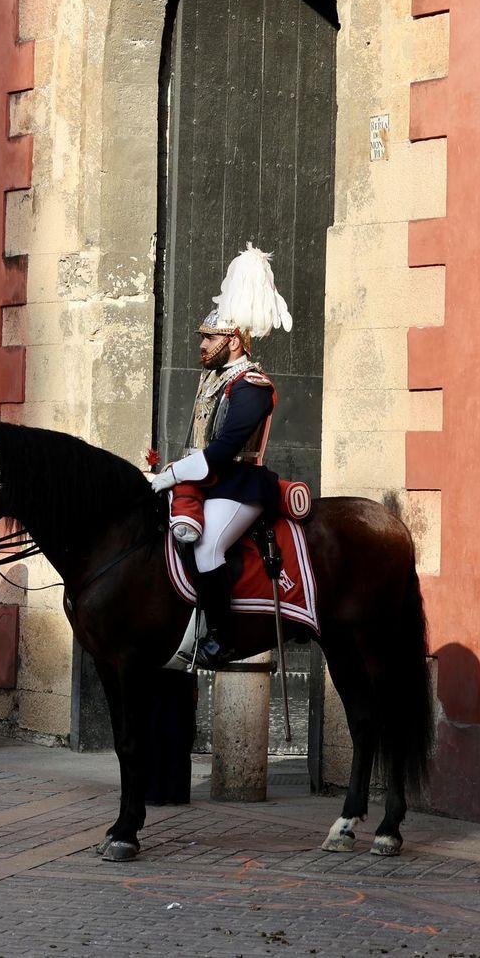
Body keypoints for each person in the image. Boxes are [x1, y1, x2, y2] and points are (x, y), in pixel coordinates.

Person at [150, 244, 291, 667]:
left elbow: (224, 451)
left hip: (239, 486)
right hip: (208, 482)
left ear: (233, 341)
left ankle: (222, 637)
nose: (203, 344)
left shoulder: (251, 385)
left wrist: (172, 474)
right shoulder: (211, 379)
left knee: (208, 546)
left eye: (210, 337)